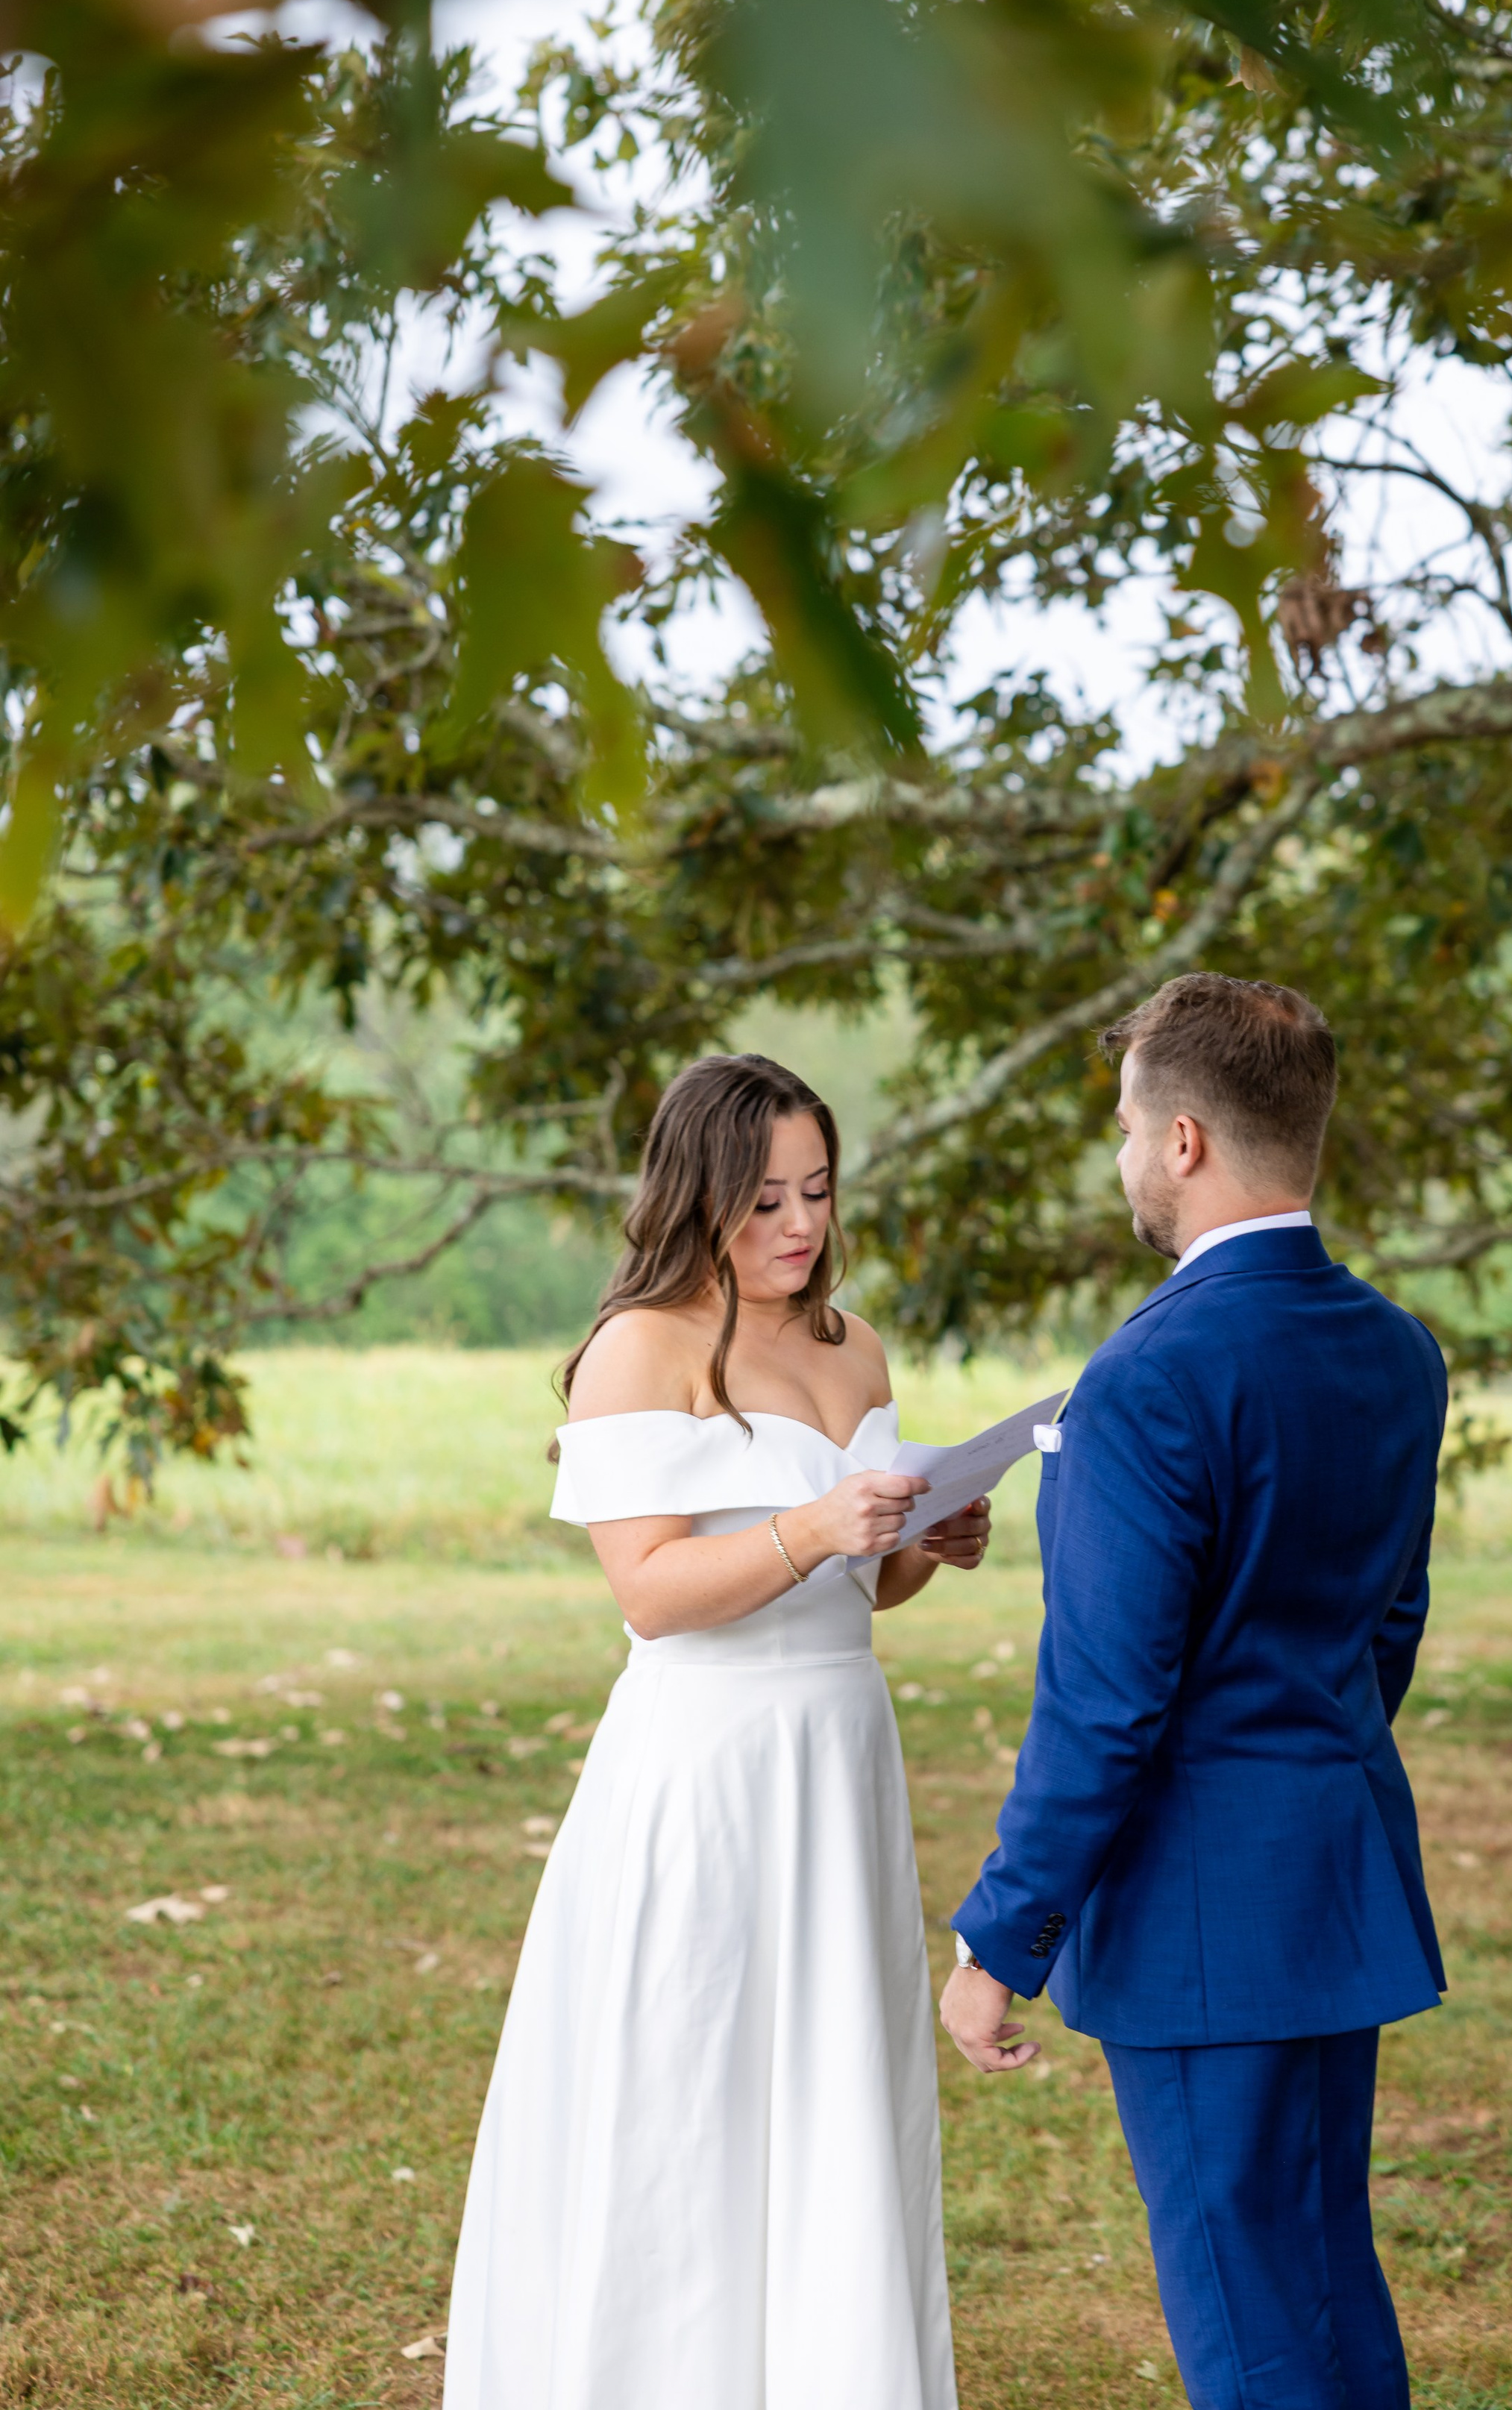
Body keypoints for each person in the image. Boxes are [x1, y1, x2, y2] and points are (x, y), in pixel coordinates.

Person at [445, 1052, 984, 2410]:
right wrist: (814, 1525)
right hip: (707, 1764)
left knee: (832, 2086)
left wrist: (927, 1540)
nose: (798, 1227)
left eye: (815, 1192)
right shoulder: (645, 1346)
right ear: (696, 1196)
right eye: (763, 1202)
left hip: (841, 1747)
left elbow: (865, 1584)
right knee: (692, 2084)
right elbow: (655, 1590)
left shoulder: (850, 1345)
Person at [941, 973, 1446, 2410]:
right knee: (1327, 2270)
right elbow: (1386, 1628)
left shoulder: (1142, 1380)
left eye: (1121, 1122)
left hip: (1199, 1919)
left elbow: (1105, 1707)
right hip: (1332, 1877)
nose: (1120, 1155)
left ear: (1181, 1142)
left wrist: (1002, 1936)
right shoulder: (1398, 1350)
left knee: (1247, 2311)